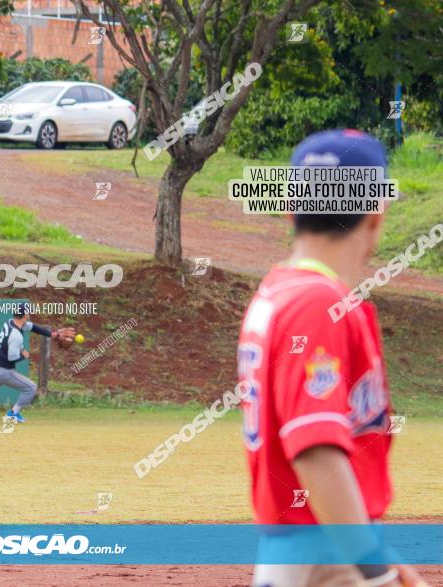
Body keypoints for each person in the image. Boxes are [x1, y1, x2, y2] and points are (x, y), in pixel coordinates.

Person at [237, 129, 425, 586]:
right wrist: (371, 568)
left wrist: (373, 546)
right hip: (322, 554)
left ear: (290, 208)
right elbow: (316, 451)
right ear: (377, 213)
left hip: (314, 545)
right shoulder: (318, 303)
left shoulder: (282, 290)